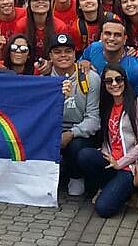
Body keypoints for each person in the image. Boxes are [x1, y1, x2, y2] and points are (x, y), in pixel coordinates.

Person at [75, 64, 138, 217]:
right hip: (111, 161)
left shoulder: (137, 103)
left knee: (103, 209)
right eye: (109, 81)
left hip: (129, 166)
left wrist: (121, 162)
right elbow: (107, 138)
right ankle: (106, 186)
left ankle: (129, 191)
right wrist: (106, 154)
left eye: (119, 79)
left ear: (125, 80)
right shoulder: (106, 105)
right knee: (84, 155)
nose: (114, 84)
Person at [45, 32, 101, 198]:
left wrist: (71, 134)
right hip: (52, 130)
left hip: (78, 132)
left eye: (68, 51)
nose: (63, 55)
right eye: (57, 52)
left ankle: (76, 176)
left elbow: (93, 119)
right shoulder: (44, 78)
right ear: (50, 56)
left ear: (75, 54)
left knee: (76, 146)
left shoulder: (91, 78)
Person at [79, 18, 138, 98]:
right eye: (108, 33)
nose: (111, 38)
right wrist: (82, 62)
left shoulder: (136, 70)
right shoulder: (93, 48)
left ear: (124, 39)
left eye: (117, 35)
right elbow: (76, 67)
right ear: (101, 36)